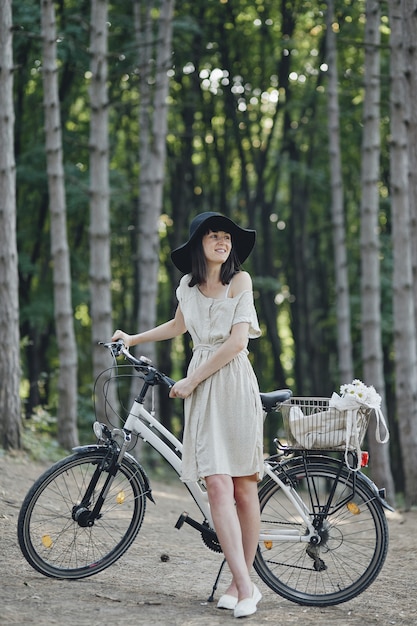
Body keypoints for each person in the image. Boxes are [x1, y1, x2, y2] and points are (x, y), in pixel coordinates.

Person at [112, 211, 264, 618]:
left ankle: (240, 582)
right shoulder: (188, 287)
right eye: (214, 236)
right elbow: (179, 325)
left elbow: (235, 344)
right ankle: (247, 585)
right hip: (203, 386)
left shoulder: (240, 282)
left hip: (231, 383)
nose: (223, 242)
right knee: (216, 484)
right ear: (199, 244)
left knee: (243, 487)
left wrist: (192, 380)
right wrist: (134, 336)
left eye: (227, 238)